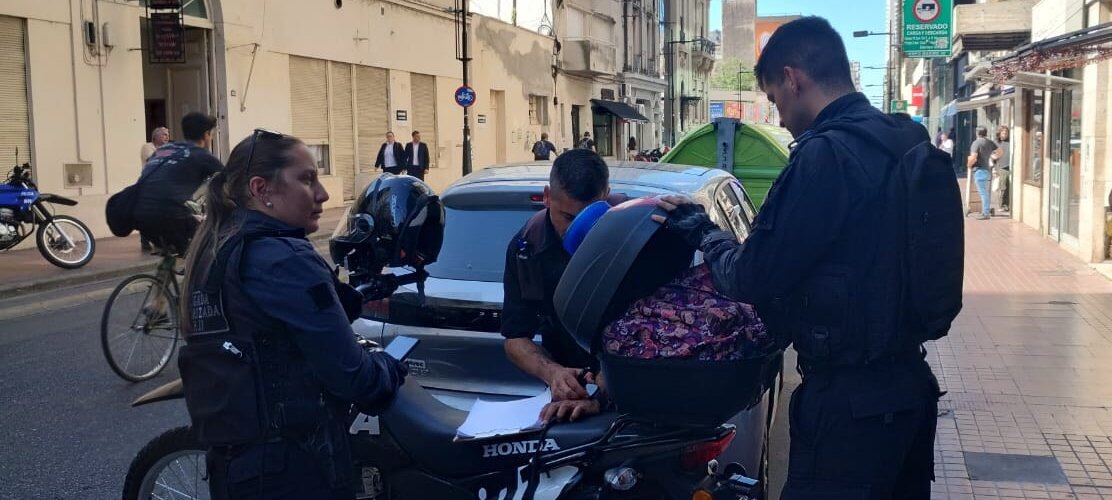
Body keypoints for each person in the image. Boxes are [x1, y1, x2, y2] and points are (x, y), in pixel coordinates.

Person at [656, 17, 946, 498]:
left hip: (851, 409)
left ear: (793, 79)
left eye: (774, 100)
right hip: (909, 394)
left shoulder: (825, 156)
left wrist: (703, 232)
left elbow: (752, 276)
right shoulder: (902, 140)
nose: (781, 116)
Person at [178, 129, 408, 499]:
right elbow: (354, 380)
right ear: (261, 189)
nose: (323, 194)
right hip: (294, 468)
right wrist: (390, 366)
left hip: (236, 467)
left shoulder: (216, 248)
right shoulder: (285, 258)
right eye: (306, 179)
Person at [502, 149, 613, 403]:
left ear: (606, 196)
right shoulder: (526, 248)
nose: (576, 230)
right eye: (567, 218)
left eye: (589, 218)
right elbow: (515, 338)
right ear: (547, 197)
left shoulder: (633, 233)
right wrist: (553, 373)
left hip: (629, 390)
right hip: (568, 391)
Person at [133, 113, 222, 256]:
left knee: (176, 249)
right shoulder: (202, 156)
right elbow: (230, 184)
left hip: (136, 213)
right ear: (206, 135)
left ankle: (165, 275)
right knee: (213, 244)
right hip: (167, 216)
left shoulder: (165, 150)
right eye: (211, 135)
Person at [139, 126, 172, 252]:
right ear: (155, 137)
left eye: (167, 134)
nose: (167, 137)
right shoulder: (148, 146)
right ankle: (145, 239)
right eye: (164, 134)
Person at [968, 127, 999, 220]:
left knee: (983, 192)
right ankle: (986, 210)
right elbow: (1000, 151)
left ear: (977, 133)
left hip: (979, 170)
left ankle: (986, 213)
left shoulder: (976, 143)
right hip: (987, 170)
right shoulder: (989, 142)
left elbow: (973, 157)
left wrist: (969, 165)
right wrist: (993, 158)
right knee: (985, 192)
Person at [992, 125, 1011, 214]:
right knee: (1003, 187)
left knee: (1008, 187)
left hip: (1010, 166)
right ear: (999, 133)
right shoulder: (996, 143)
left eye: (1006, 133)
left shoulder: (1010, 141)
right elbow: (993, 156)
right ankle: (1002, 205)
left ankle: (1007, 205)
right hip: (1002, 167)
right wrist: (994, 169)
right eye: (1003, 133)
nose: (1005, 134)